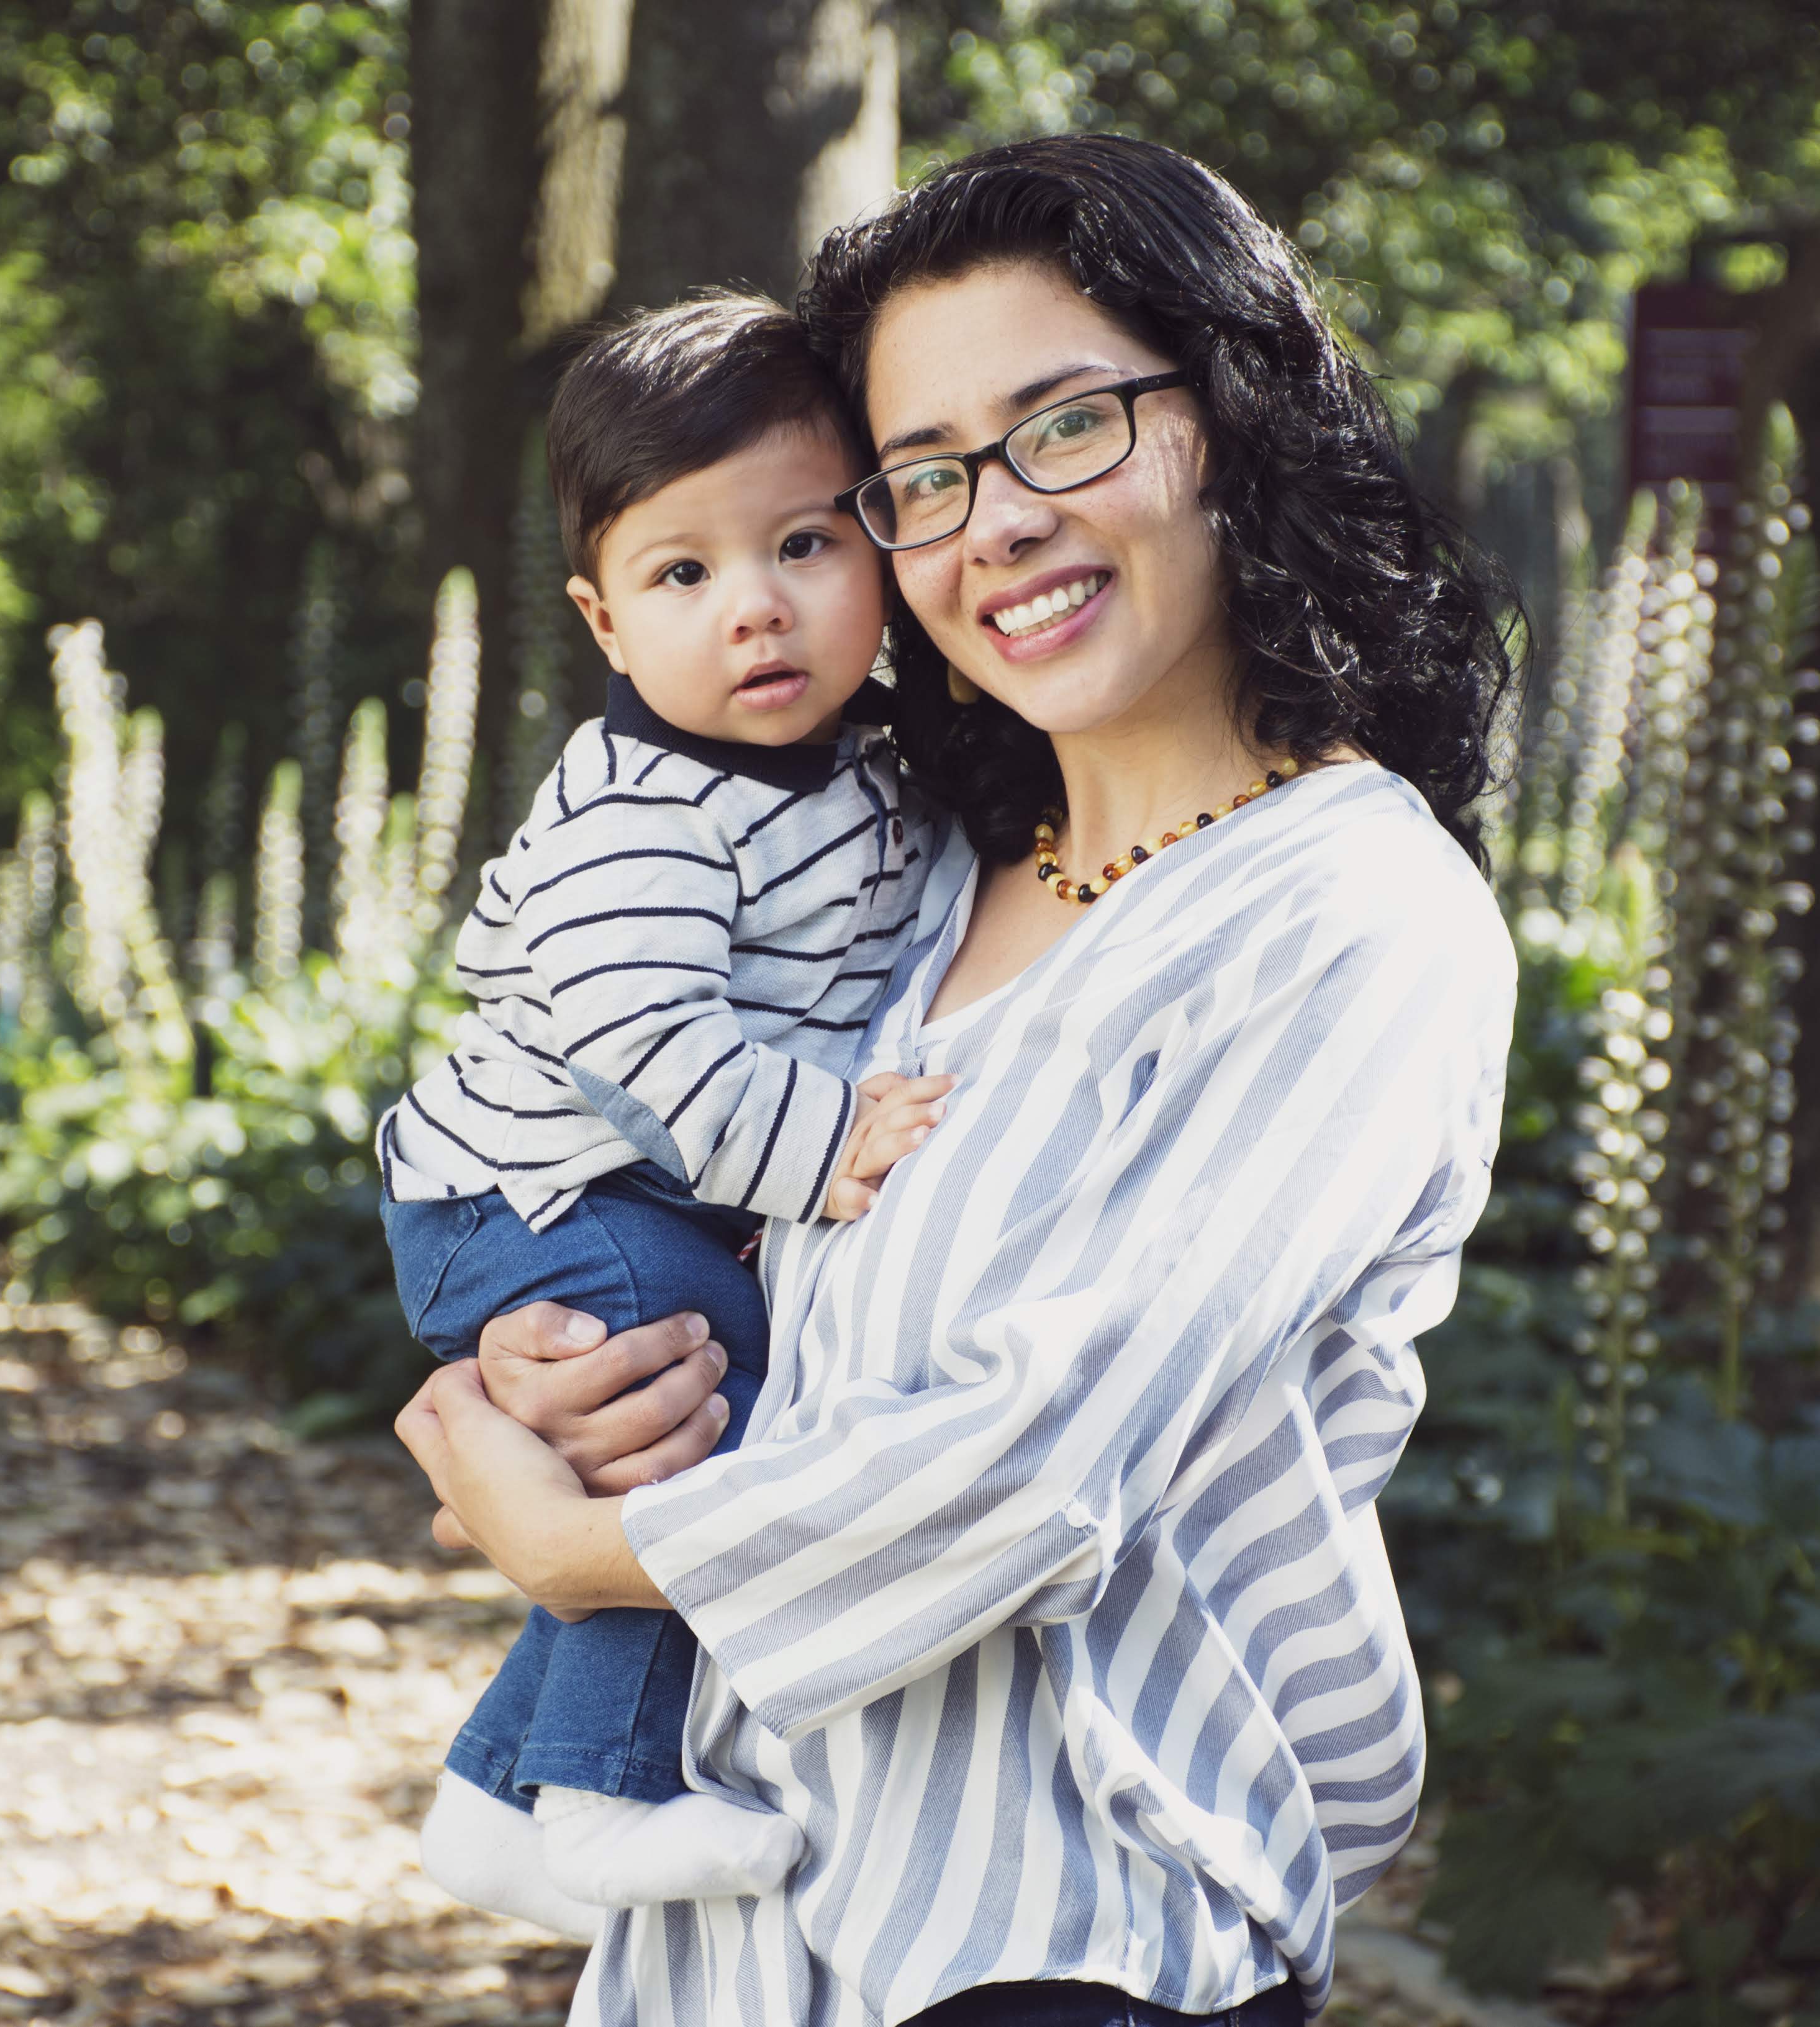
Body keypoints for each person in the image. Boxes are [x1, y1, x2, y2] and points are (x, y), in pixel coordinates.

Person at [397, 134, 1521, 2027]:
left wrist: (581, 1546)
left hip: (1062, 1941)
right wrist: (549, 1378)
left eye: (1065, 426)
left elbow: (1033, 1462)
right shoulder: (911, 887)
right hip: (737, 1949)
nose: (992, 521)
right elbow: (721, 1268)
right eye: (920, 477)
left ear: (1233, 421)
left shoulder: (1348, 908)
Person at [377, 292, 956, 1934]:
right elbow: (646, 1038)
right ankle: (600, 1796)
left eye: (801, 546)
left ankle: (497, 1793)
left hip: (623, 1187)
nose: (754, 611)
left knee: (699, 1395)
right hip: (528, 1195)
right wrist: (830, 1144)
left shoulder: (865, 766)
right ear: (604, 621)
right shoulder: (641, 817)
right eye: (682, 574)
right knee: (695, 1411)